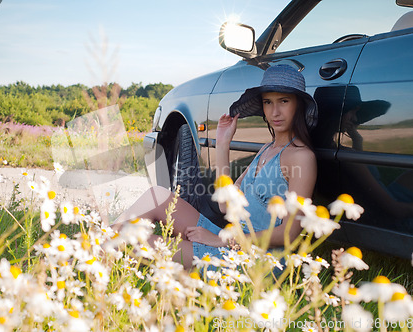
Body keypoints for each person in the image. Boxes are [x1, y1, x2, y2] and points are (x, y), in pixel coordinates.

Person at [112, 64, 318, 269]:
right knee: (155, 197)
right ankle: (101, 243)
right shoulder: (267, 149)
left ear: (298, 104)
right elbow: (225, 206)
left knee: (133, 239)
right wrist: (222, 144)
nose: (275, 111)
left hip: (254, 261)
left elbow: (289, 234)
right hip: (230, 243)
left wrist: (222, 239)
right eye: (268, 102)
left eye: (284, 101)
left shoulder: (301, 157)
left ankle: (96, 251)